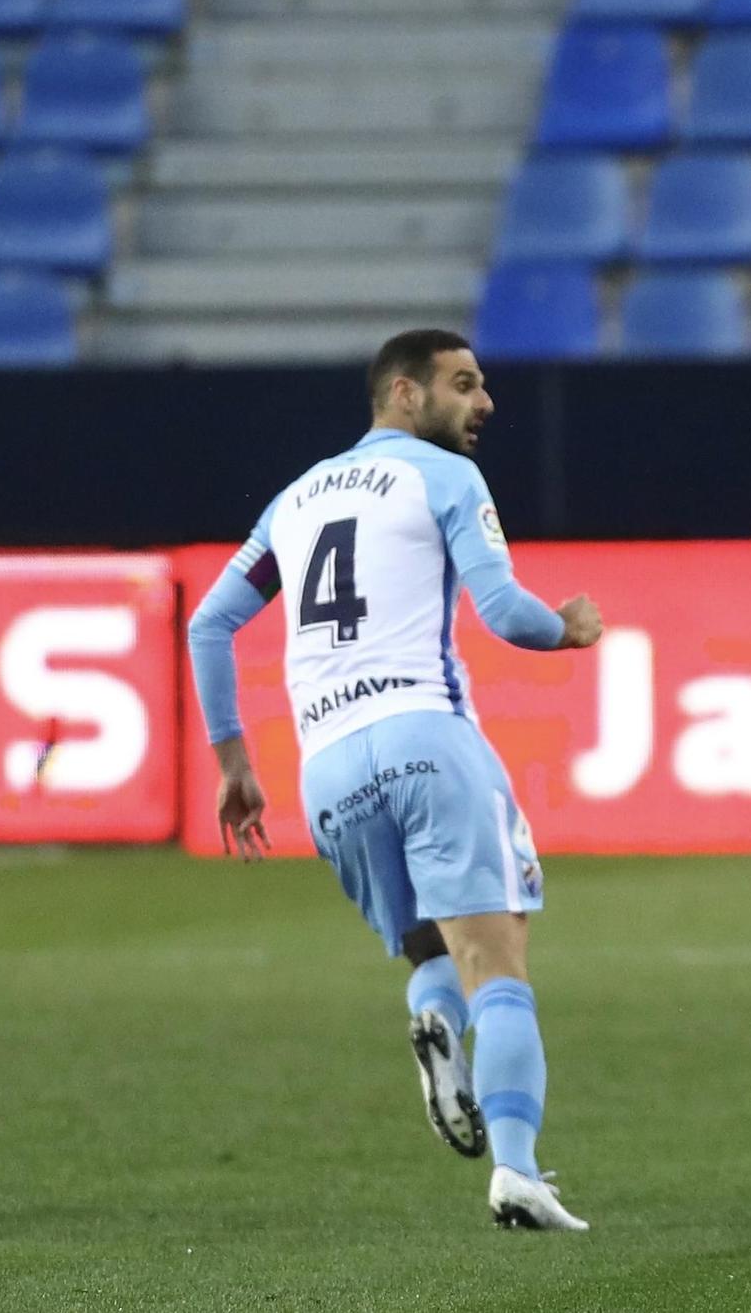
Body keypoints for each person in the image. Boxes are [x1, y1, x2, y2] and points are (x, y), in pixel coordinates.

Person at [185, 329, 604, 1231]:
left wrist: (233, 764)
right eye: (463, 384)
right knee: (500, 966)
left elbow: (209, 624)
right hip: (426, 737)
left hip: (327, 766)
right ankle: (519, 1169)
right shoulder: (443, 476)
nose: (484, 401)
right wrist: (568, 626)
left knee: (429, 950)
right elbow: (503, 613)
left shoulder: (292, 501)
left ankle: (432, 1025)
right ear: (405, 396)